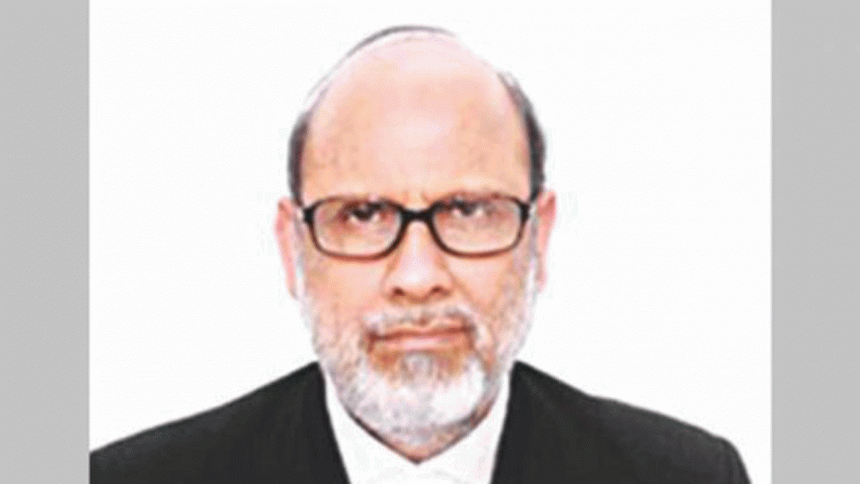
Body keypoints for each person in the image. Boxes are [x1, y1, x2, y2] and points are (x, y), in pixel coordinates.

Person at [90, 26, 750, 484]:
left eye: (467, 210)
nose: (417, 276)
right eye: (362, 215)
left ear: (538, 238)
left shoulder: (687, 477)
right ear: (293, 249)